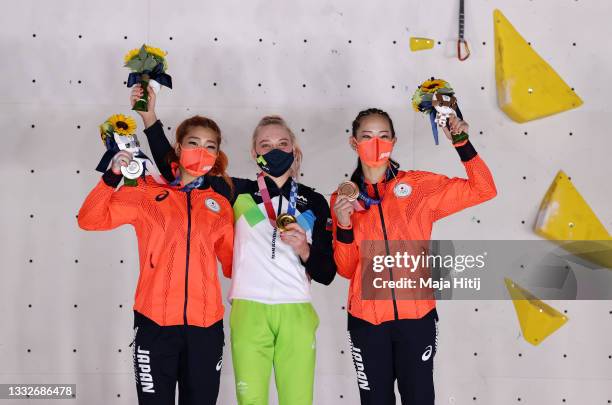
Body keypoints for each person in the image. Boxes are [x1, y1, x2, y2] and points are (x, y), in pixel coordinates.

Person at [131, 85, 336, 405]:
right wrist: (149, 118)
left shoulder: (315, 201)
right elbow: (178, 170)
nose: (275, 150)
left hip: (296, 310)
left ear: (294, 148)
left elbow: (326, 272)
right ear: (255, 153)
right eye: (265, 145)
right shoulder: (235, 191)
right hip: (248, 311)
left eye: (282, 143)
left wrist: (304, 249)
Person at [331, 108, 497, 404]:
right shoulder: (343, 198)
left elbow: (483, 189)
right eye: (367, 137)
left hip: (417, 318)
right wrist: (343, 226)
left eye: (383, 136)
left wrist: (461, 142)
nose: (376, 143)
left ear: (393, 141)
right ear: (353, 143)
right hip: (367, 322)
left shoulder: (419, 187)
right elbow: (346, 269)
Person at [77, 113, 234, 405]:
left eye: (210, 146)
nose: (202, 151)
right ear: (178, 147)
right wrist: (111, 176)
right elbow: (89, 219)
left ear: (217, 153)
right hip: (155, 324)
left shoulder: (220, 204)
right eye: (194, 142)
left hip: (206, 328)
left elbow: (233, 265)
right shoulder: (148, 193)